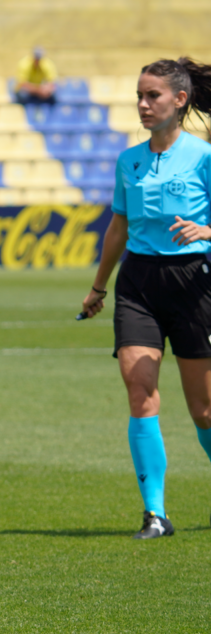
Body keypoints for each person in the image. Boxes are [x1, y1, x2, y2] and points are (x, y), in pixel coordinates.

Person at [79, 57, 211, 540]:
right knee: (141, 392)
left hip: (195, 281)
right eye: (139, 95)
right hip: (139, 284)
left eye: (152, 95)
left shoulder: (204, 156)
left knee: (205, 410)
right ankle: (155, 514)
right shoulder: (128, 160)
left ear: (180, 100)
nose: (142, 104)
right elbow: (118, 225)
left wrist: (207, 231)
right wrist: (99, 287)